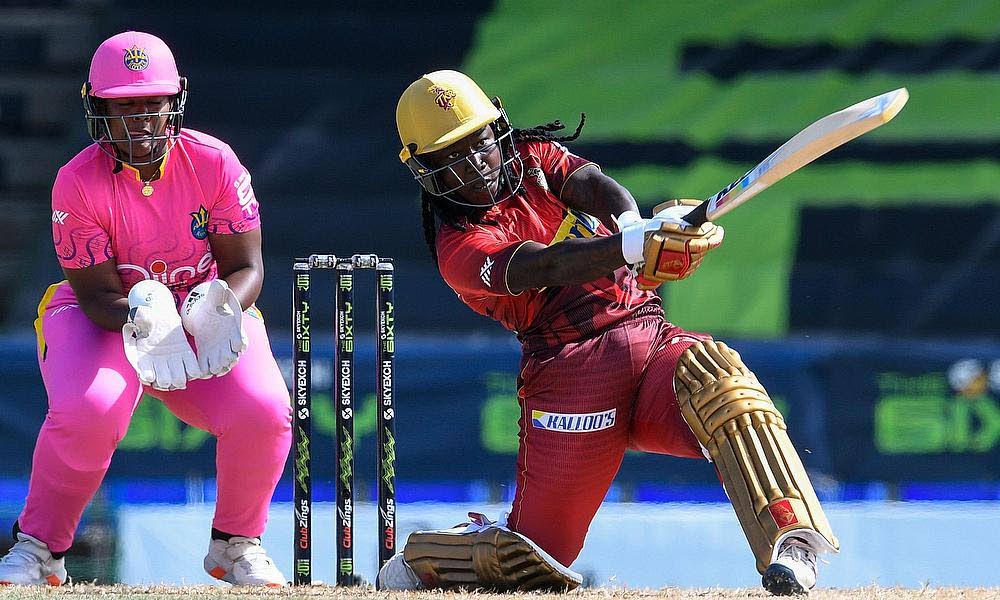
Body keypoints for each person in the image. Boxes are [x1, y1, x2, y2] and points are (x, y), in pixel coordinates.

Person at [379, 70, 839, 595]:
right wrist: (629, 247)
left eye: (478, 143)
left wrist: (630, 224)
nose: (475, 163)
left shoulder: (532, 158)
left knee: (722, 383)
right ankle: (429, 557)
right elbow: (546, 267)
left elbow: (593, 186)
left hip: (647, 338)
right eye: (450, 158)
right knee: (536, 564)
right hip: (571, 378)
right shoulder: (459, 248)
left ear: (499, 129)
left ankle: (791, 544)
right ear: (425, 172)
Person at [0, 32, 290, 587]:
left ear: (174, 100)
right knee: (92, 408)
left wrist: (219, 307)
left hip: (203, 310)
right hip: (105, 315)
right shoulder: (76, 181)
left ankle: (236, 545)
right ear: (98, 106)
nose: (140, 120)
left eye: (151, 103)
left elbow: (247, 266)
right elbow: (93, 293)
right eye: (124, 106)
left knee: (266, 408)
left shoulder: (214, 162)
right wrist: (142, 313)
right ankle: (39, 550)